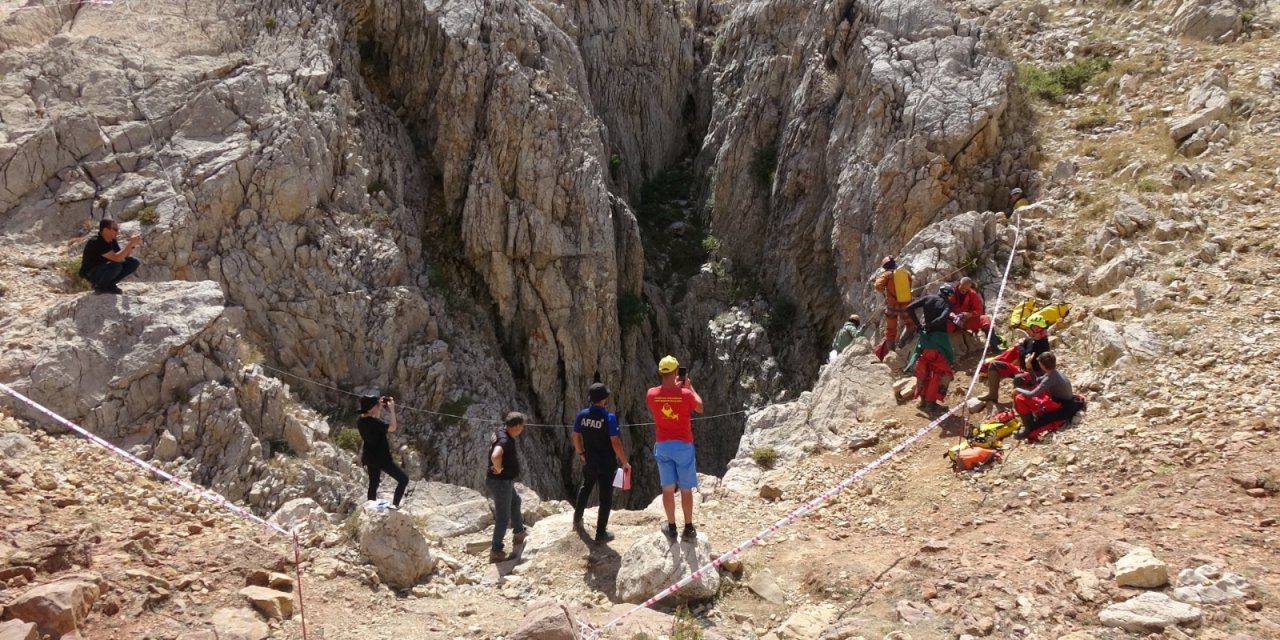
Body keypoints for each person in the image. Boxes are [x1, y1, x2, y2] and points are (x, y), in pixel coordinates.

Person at [645, 356, 704, 542]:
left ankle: (671, 527)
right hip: (683, 445)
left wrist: (676, 389)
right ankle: (688, 527)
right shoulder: (685, 395)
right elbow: (700, 407)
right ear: (676, 373)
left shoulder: (651, 394)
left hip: (663, 445)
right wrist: (689, 387)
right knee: (686, 489)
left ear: (661, 373)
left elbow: (665, 396)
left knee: (667, 488)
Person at [572, 382, 630, 543]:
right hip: (606, 463)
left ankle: (577, 519)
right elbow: (615, 442)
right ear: (604, 399)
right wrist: (625, 462)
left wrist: (581, 452)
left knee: (585, 488)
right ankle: (600, 533)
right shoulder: (609, 417)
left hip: (590, 460)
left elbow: (575, 436)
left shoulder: (582, 415)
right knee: (605, 497)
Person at [904, 287, 955, 414]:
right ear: (949, 295)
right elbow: (943, 318)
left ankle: (922, 401)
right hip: (938, 341)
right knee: (938, 373)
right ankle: (930, 404)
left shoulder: (928, 298)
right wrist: (931, 325)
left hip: (925, 341)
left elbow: (909, 308)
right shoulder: (947, 304)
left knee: (924, 371)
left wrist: (919, 325)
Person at [487, 412, 528, 562]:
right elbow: (495, 456)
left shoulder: (501, 432)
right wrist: (497, 468)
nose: (523, 428)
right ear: (517, 426)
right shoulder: (505, 441)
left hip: (504, 482)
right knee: (503, 518)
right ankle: (496, 551)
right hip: (501, 482)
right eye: (523, 426)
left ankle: (519, 533)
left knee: (515, 501)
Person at [980, 316, 1051, 403]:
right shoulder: (1034, 340)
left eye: (1029, 328)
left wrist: (1020, 345)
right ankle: (992, 395)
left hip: (1033, 376)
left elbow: (1024, 357)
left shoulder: (1042, 345)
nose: (1027, 330)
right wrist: (1022, 344)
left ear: (1035, 329)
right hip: (1023, 369)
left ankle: (1020, 402)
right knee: (994, 364)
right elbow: (1027, 344)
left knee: (1019, 378)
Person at [1013, 352, 1081, 438]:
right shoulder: (1054, 373)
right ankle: (1031, 418)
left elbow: (1031, 394)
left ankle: (1027, 429)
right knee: (1029, 387)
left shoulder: (1050, 378)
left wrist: (1017, 389)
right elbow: (1037, 380)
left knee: (1020, 398)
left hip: (1062, 408)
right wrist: (1029, 366)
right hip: (1063, 402)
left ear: (1042, 366)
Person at [356, 394, 407, 511]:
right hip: (382, 458)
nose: (378, 407)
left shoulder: (360, 421)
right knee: (403, 479)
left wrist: (378, 406)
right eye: (376, 405)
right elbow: (393, 427)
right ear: (370, 408)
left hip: (369, 457)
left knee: (373, 482)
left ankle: (370, 506)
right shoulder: (375, 424)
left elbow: (374, 421)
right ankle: (395, 504)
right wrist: (392, 409)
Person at [79, 219, 141, 294]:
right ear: (105, 230)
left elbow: (122, 256)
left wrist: (132, 245)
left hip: (107, 267)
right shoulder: (96, 242)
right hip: (93, 272)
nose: (117, 232)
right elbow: (116, 258)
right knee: (116, 266)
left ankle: (109, 284)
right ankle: (100, 286)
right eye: (115, 229)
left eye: (118, 229)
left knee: (133, 262)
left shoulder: (112, 240)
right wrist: (130, 244)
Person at [872, 256, 914, 348]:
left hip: (892, 305)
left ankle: (891, 349)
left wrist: (885, 290)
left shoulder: (887, 274)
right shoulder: (906, 273)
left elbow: (877, 285)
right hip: (905, 302)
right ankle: (904, 341)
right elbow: (910, 283)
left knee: (891, 328)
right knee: (910, 323)